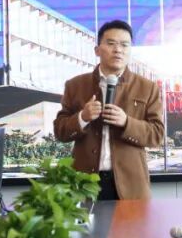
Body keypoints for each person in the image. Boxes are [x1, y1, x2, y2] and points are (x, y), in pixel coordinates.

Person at [53, 20, 164, 200]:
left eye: (124, 45)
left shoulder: (147, 87)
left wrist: (127, 123)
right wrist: (82, 117)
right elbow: (60, 131)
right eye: (111, 43)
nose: (118, 50)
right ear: (97, 50)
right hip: (84, 183)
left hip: (130, 186)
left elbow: (157, 135)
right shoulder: (75, 85)